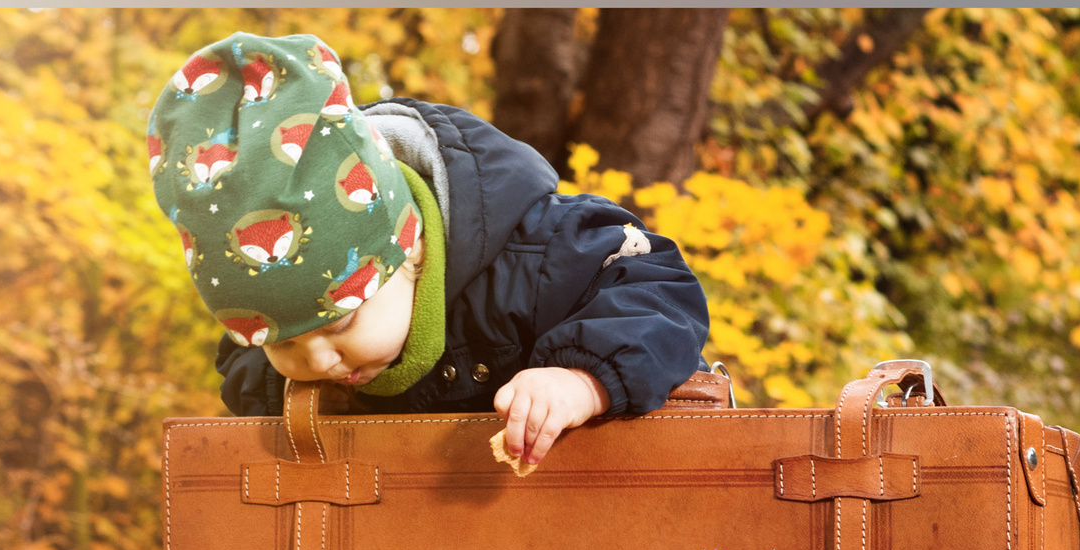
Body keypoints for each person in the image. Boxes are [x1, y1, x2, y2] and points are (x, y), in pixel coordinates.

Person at [149, 32, 709, 466]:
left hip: (591, 530)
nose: (316, 361)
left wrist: (582, 378)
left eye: (339, 325)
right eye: (284, 341)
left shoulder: (536, 253)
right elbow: (244, 372)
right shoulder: (280, 358)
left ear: (409, 250)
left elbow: (662, 289)